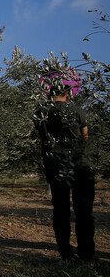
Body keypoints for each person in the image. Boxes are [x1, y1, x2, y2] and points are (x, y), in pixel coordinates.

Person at [33, 81, 94, 262]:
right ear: (68, 95)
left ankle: (65, 254)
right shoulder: (77, 112)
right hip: (80, 165)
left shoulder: (40, 113)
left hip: (55, 167)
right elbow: (85, 138)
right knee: (84, 212)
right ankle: (86, 255)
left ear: (48, 94)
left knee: (61, 212)